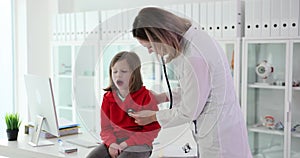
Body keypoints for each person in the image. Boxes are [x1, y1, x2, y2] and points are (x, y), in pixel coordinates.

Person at [130, 7, 252, 158]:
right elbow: (198, 89)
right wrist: (163, 97)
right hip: (223, 127)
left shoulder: (193, 56)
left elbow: (189, 111)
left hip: (218, 138)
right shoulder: (196, 38)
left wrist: (153, 116)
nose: (150, 51)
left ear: (161, 37)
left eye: (149, 46)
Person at [87, 51, 161, 158]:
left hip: (140, 144)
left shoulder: (146, 96)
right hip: (115, 142)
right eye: (115, 71)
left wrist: (126, 144)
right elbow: (105, 128)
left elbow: (151, 131)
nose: (118, 75)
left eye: (124, 71)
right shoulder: (108, 98)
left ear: (134, 74)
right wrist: (111, 144)